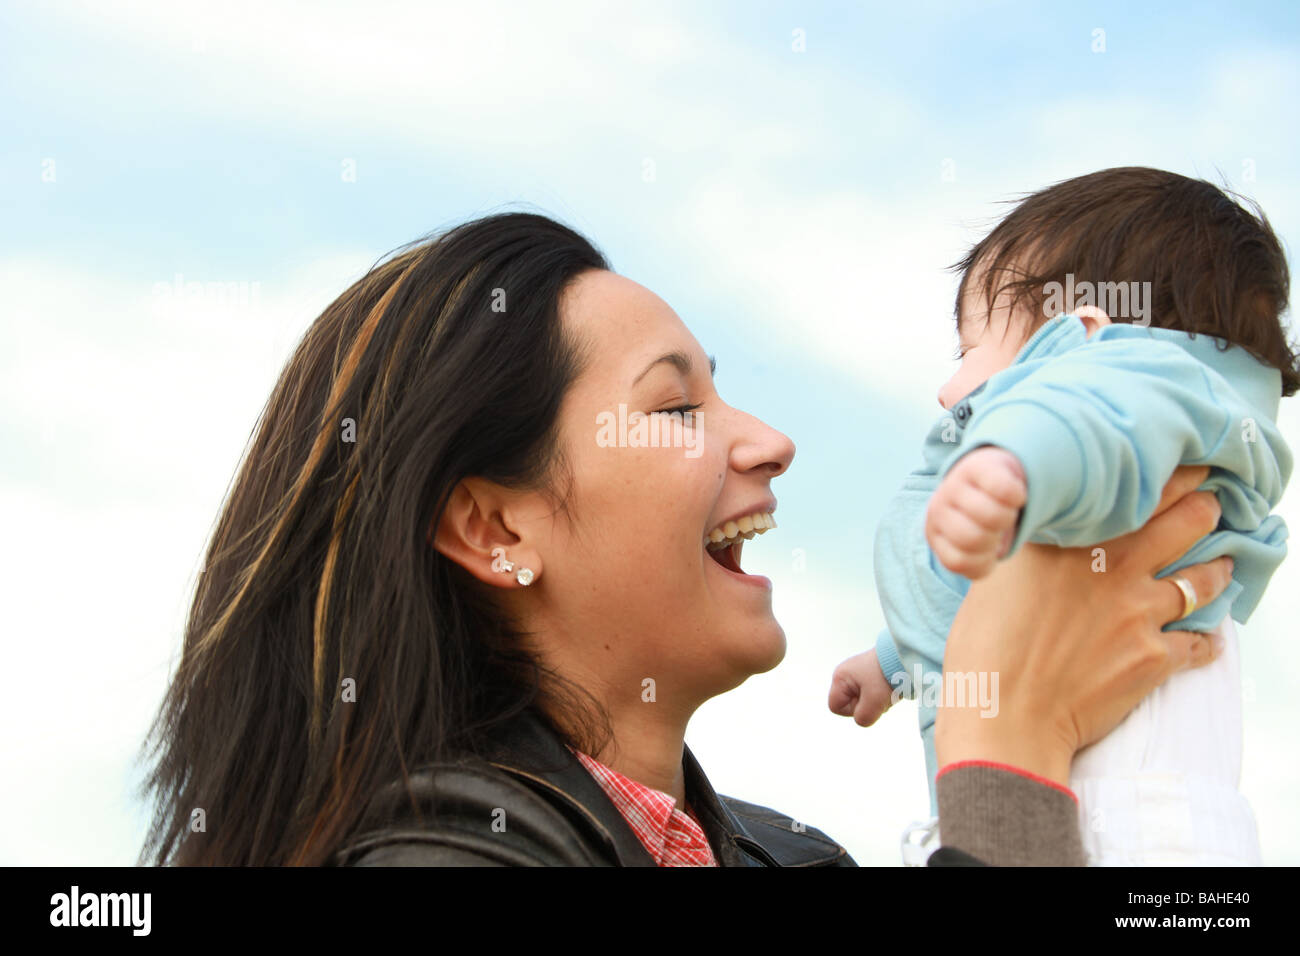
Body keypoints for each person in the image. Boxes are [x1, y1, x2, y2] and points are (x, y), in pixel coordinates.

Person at [138, 211, 1233, 867]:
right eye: (675, 408)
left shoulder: (791, 856)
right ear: (495, 524)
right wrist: (1010, 749)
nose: (770, 441)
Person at [829, 168, 1295, 864]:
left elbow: (1082, 426)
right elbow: (973, 612)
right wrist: (891, 659)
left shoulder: (1113, 404)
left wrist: (1012, 462)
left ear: (1075, 338)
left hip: (1122, 825)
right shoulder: (1121, 471)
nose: (947, 389)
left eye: (969, 350)